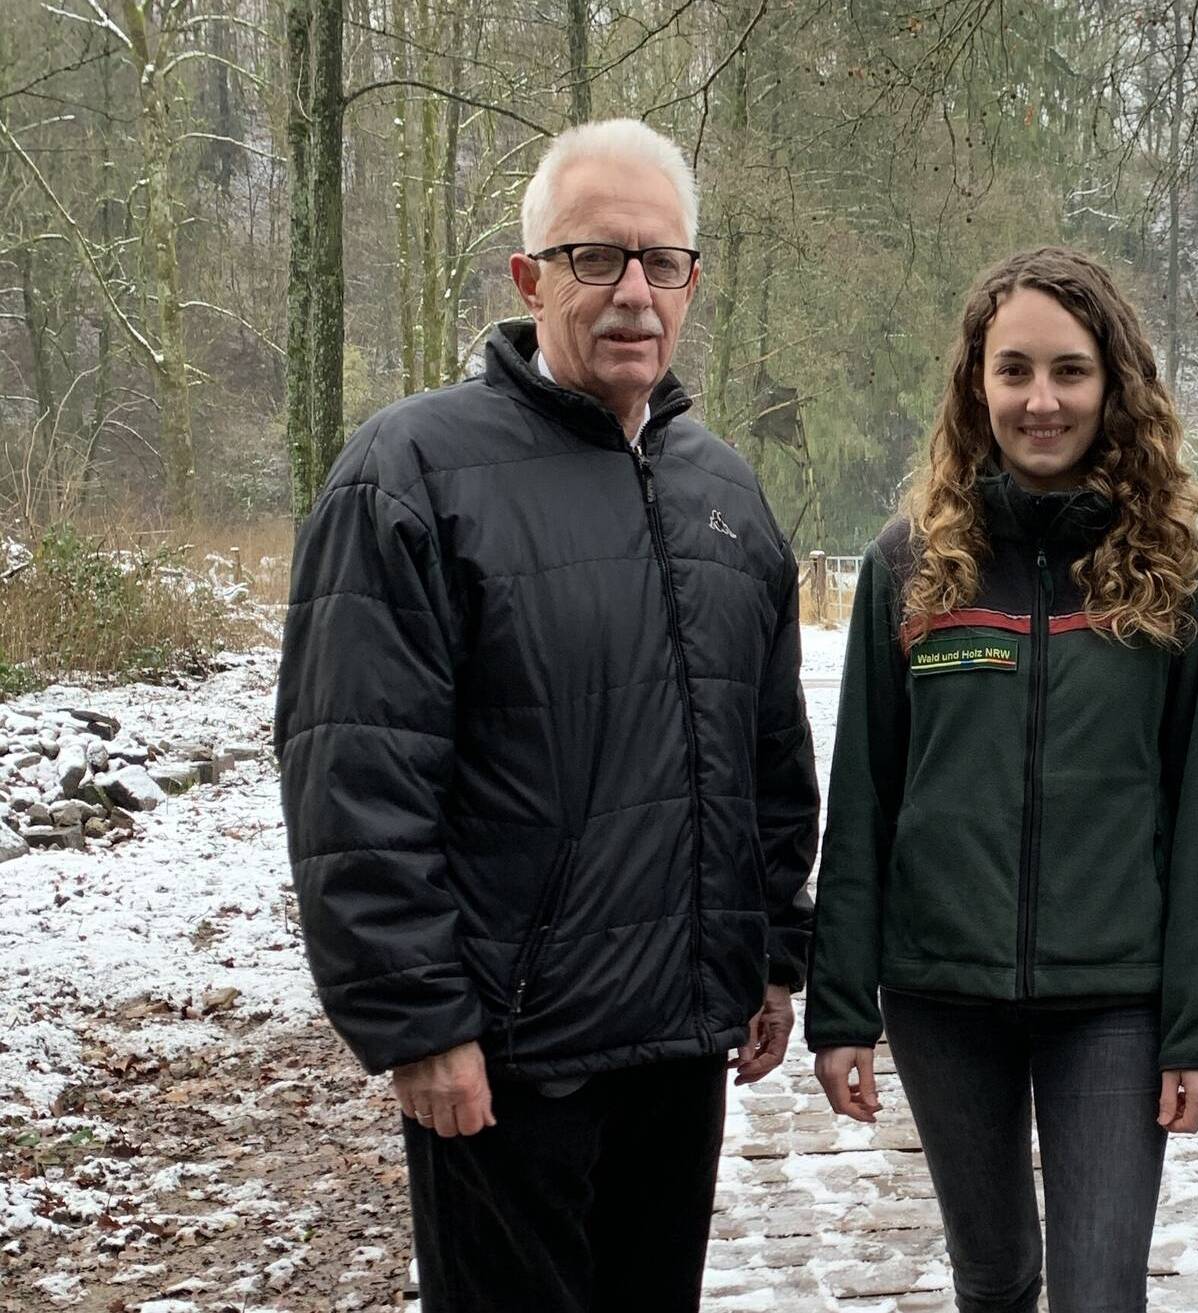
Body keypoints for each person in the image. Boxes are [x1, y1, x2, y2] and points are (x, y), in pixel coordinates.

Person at [274, 118, 819, 1312]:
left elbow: (767, 751)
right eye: (595, 258)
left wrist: (774, 951)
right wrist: (420, 1021)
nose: (632, 291)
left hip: (681, 1043)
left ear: (690, 283)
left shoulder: (722, 492)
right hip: (511, 1055)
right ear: (528, 278)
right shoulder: (412, 474)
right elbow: (355, 777)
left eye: (660, 261)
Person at [805, 246, 1198, 1312]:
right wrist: (838, 1007)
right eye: (1013, 371)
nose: (1039, 400)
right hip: (939, 992)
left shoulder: (1181, 576)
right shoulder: (910, 566)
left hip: (1114, 999)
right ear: (975, 384)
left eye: (1069, 370)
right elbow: (863, 794)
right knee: (993, 1277)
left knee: (1098, 1291)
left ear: (1114, 384)